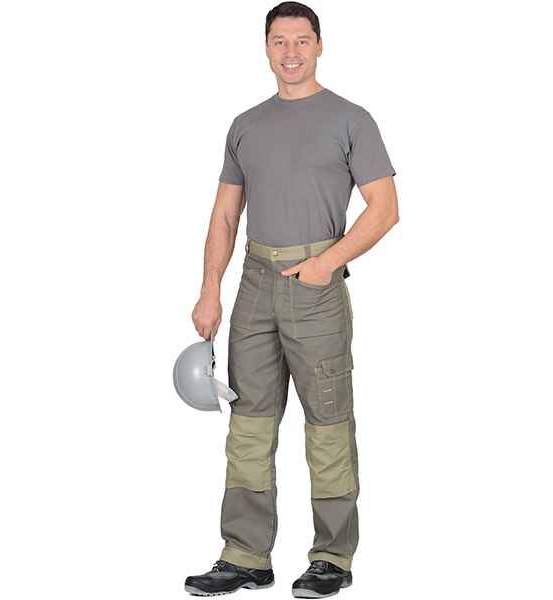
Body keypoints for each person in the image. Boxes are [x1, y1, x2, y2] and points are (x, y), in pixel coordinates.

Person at [185, 2, 399, 597]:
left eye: (302, 40)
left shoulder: (351, 119)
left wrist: (327, 263)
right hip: (254, 283)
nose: (291, 52)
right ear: (266, 48)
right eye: (279, 41)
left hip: (317, 287)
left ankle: (332, 558)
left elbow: (385, 209)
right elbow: (225, 214)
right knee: (248, 425)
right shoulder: (245, 124)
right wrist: (209, 289)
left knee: (327, 424)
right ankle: (245, 556)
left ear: (320, 46)